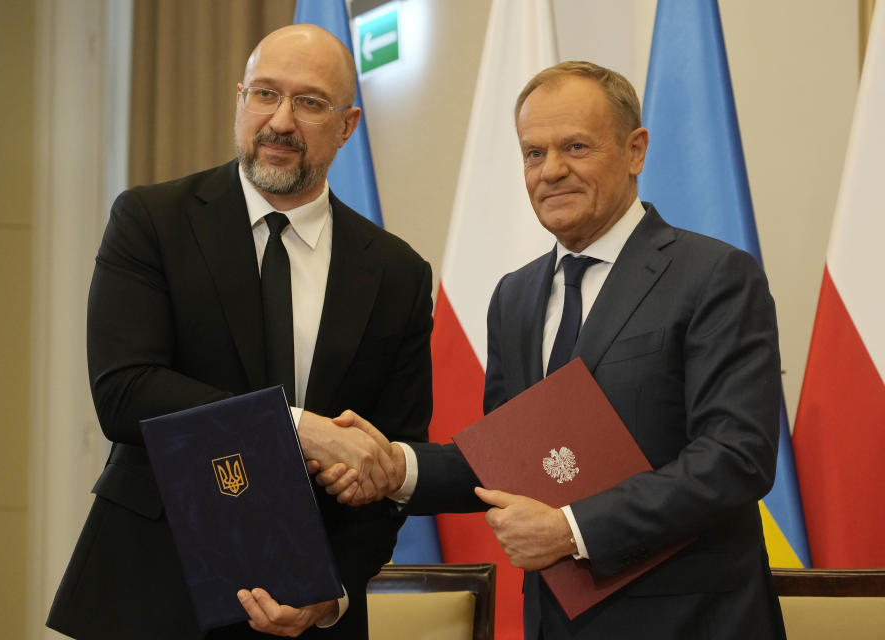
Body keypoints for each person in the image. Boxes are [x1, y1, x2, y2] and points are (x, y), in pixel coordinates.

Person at [317, 61, 787, 639]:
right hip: (554, 622)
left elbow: (735, 457)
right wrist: (398, 467)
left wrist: (571, 529)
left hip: (690, 621)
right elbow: (509, 459)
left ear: (635, 150)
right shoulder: (515, 296)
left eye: (576, 147)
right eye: (533, 153)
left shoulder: (715, 275)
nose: (552, 171)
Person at [46, 25, 432, 640]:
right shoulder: (152, 220)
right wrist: (298, 426)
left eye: (309, 103)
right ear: (239, 99)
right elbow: (124, 392)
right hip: (149, 592)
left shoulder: (396, 272)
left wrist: (329, 595)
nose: (280, 121)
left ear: (348, 125)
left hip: (306, 611)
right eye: (264, 94)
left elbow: (391, 457)